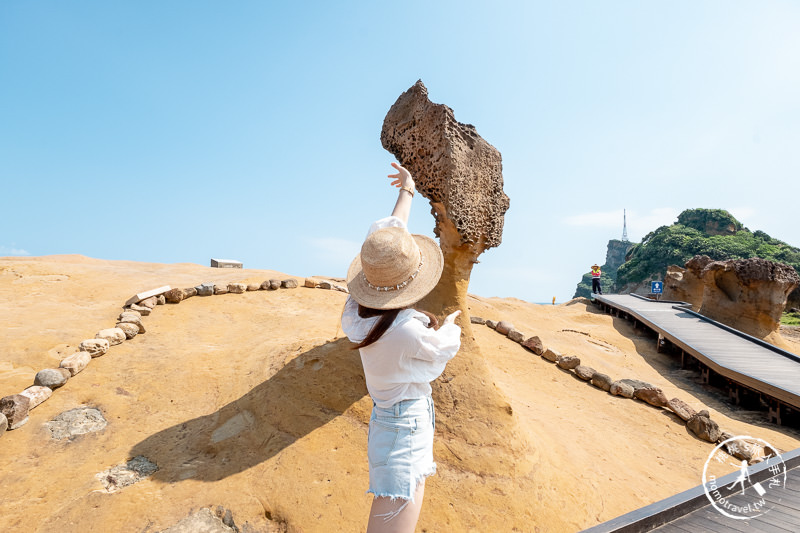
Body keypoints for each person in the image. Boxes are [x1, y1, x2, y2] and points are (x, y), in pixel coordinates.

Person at [341, 162, 462, 532]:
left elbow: (389, 238)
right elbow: (444, 348)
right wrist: (451, 323)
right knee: (395, 521)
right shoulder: (409, 331)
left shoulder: (355, 315)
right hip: (405, 426)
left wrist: (406, 191)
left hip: (387, 422)